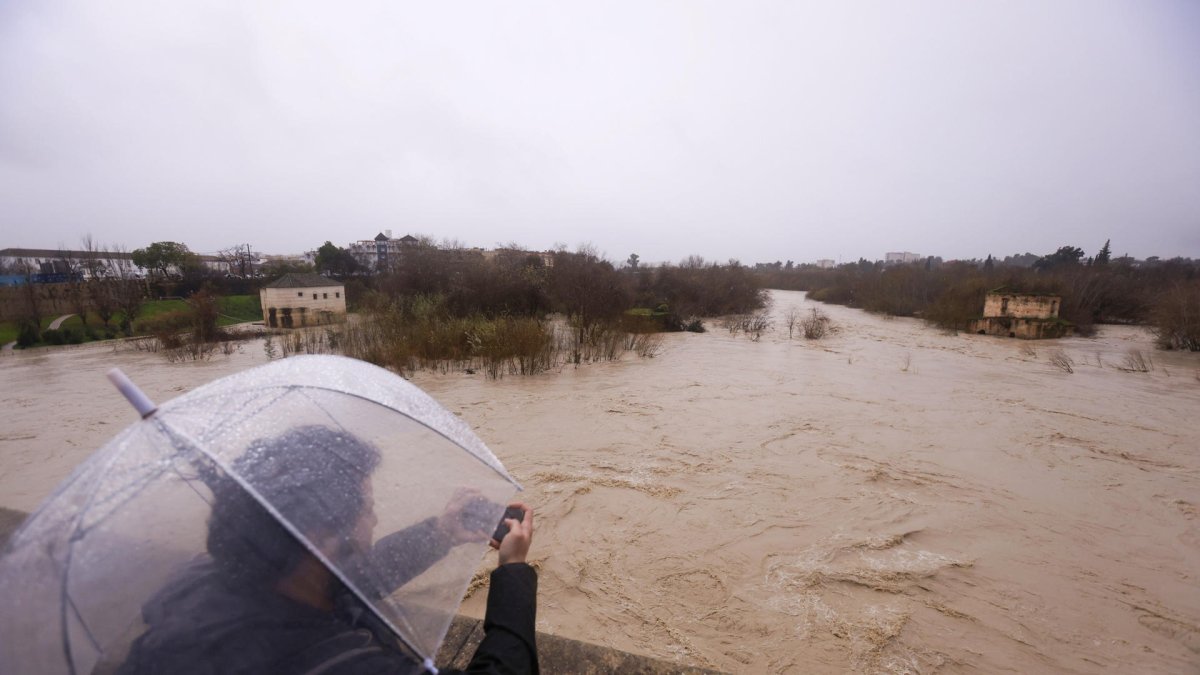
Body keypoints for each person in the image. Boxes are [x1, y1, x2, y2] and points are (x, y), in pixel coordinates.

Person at [115, 426, 537, 675]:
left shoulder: (199, 585)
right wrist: (513, 571)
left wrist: (440, 533)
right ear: (317, 537)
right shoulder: (336, 663)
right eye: (367, 508)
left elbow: (344, 579)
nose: (374, 518)